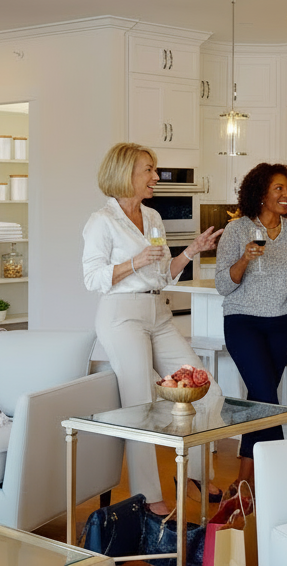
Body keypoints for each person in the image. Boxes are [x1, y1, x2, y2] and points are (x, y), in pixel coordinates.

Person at [82, 142, 224, 514]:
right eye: (148, 169)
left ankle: (194, 472)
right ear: (125, 173)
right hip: (121, 315)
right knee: (140, 402)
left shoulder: (153, 218)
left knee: (205, 388)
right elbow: (93, 277)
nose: (155, 177)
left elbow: (162, 274)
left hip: (157, 311)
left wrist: (191, 251)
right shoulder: (102, 221)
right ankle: (148, 496)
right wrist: (135, 261)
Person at [215, 163, 287, 493]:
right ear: (261, 194)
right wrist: (243, 260)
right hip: (243, 323)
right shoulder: (237, 230)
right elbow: (223, 285)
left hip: (282, 324)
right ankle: (278, 480)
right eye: (279, 189)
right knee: (267, 399)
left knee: (260, 399)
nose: (286, 195)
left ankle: (243, 482)